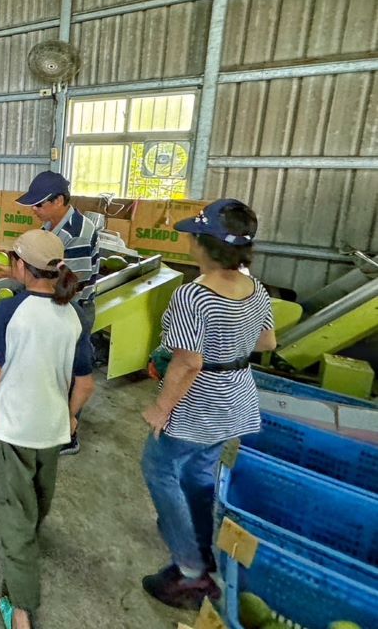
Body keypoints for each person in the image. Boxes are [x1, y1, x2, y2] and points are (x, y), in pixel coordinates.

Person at [140, 199, 276, 609]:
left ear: (206, 245)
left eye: (194, 235)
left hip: (197, 406)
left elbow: (187, 364)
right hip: (234, 398)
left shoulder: (192, 296)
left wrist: (161, 410)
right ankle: (204, 553)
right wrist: (232, 341)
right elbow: (267, 342)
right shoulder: (256, 288)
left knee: (159, 469)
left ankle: (189, 571)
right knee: (199, 474)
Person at [0, 229, 96, 629]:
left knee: (16, 513)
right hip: (52, 426)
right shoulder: (74, 315)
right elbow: (85, 382)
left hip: (14, 427)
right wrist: (73, 415)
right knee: (41, 494)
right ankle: (30, 538)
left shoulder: (8, 311)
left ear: (21, 267)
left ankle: (21, 606)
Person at [17, 170, 99, 455]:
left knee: (74, 371)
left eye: (39, 205)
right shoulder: (50, 226)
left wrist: (24, 279)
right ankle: (51, 421)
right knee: (55, 370)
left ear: (60, 200)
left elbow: (69, 284)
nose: (34, 211)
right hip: (57, 304)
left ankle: (69, 432)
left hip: (74, 309)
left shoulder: (76, 232)